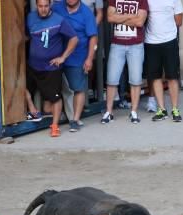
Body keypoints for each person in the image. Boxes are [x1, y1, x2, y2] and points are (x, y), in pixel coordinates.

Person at [26, 0, 78, 137]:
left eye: (46, 6)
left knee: (55, 99)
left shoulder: (59, 20)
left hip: (51, 67)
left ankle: (55, 126)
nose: (43, 9)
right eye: (40, 6)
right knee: (20, 85)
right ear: (36, 5)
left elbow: (74, 38)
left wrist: (63, 57)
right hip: (33, 65)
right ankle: (32, 109)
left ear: (50, 6)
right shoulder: (30, 17)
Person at [53, 0, 97, 132]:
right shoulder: (56, 8)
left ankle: (75, 120)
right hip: (56, 55)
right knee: (59, 89)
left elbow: (93, 38)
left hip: (78, 57)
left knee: (78, 88)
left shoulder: (86, 13)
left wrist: (89, 58)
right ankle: (64, 115)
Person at [101, 0, 147, 124]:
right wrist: (130, 15)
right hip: (117, 44)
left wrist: (119, 17)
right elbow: (110, 17)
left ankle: (134, 112)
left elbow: (140, 21)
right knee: (111, 79)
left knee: (136, 80)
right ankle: (109, 112)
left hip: (136, 45)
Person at [145, 0, 183, 122]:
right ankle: (162, 109)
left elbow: (179, 20)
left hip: (169, 40)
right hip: (151, 41)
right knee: (155, 77)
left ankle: (175, 109)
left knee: (172, 76)